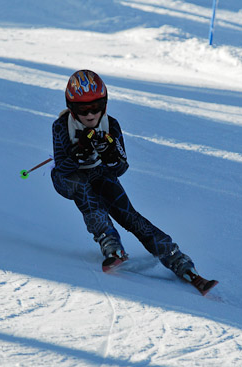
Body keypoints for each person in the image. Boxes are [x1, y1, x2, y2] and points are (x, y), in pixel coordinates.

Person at [50, 69, 198, 283]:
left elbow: (120, 168)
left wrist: (109, 156)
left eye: (96, 107)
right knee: (82, 187)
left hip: (98, 173)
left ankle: (174, 256)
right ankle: (109, 241)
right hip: (68, 179)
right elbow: (61, 168)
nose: (90, 115)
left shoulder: (112, 126)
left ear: (105, 104)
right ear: (71, 108)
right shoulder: (61, 127)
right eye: (83, 109)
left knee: (128, 214)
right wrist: (77, 156)